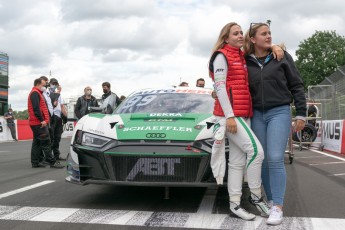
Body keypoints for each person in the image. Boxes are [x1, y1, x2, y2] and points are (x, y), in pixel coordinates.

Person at [243, 22, 306, 225]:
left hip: (279, 111)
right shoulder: (245, 60)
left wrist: (301, 114)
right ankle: (271, 201)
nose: (269, 36)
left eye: (270, 33)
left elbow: (296, 85)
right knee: (261, 159)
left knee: (276, 157)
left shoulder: (282, 56)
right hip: (257, 114)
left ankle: (278, 206)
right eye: (264, 34)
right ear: (253, 39)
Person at [208, 22, 270, 221]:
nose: (240, 35)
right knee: (256, 152)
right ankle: (256, 197)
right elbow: (219, 87)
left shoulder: (240, 55)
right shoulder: (221, 55)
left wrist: (276, 47)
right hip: (231, 116)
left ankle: (235, 204)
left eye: (241, 32)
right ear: (226, 37)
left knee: (237, 162)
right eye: (235, 33)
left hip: (243, 114)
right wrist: (229, 116)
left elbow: (262, 47)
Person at [27, 78, 64, 169]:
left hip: (37, 122)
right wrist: (42, 120)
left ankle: (35, 162)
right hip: (38, 123)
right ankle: (52, 162)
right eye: (43, 85)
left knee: (37, 143)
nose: (44, 87)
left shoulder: (37, 93)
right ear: (38, 84)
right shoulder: (35, 93)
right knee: (46, 141)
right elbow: (36, 109)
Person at [48, 77, 67, 161]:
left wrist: (66, 115)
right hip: (52, 116)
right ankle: (49, 156)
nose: (54, 85)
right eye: (53, 84)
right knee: (51, 137)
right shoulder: (47, 92)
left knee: (57, 137)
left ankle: (56, 155)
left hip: (59, 117)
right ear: (50, 84)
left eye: (56, 84)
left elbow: (62, 105)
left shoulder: (59, 94)